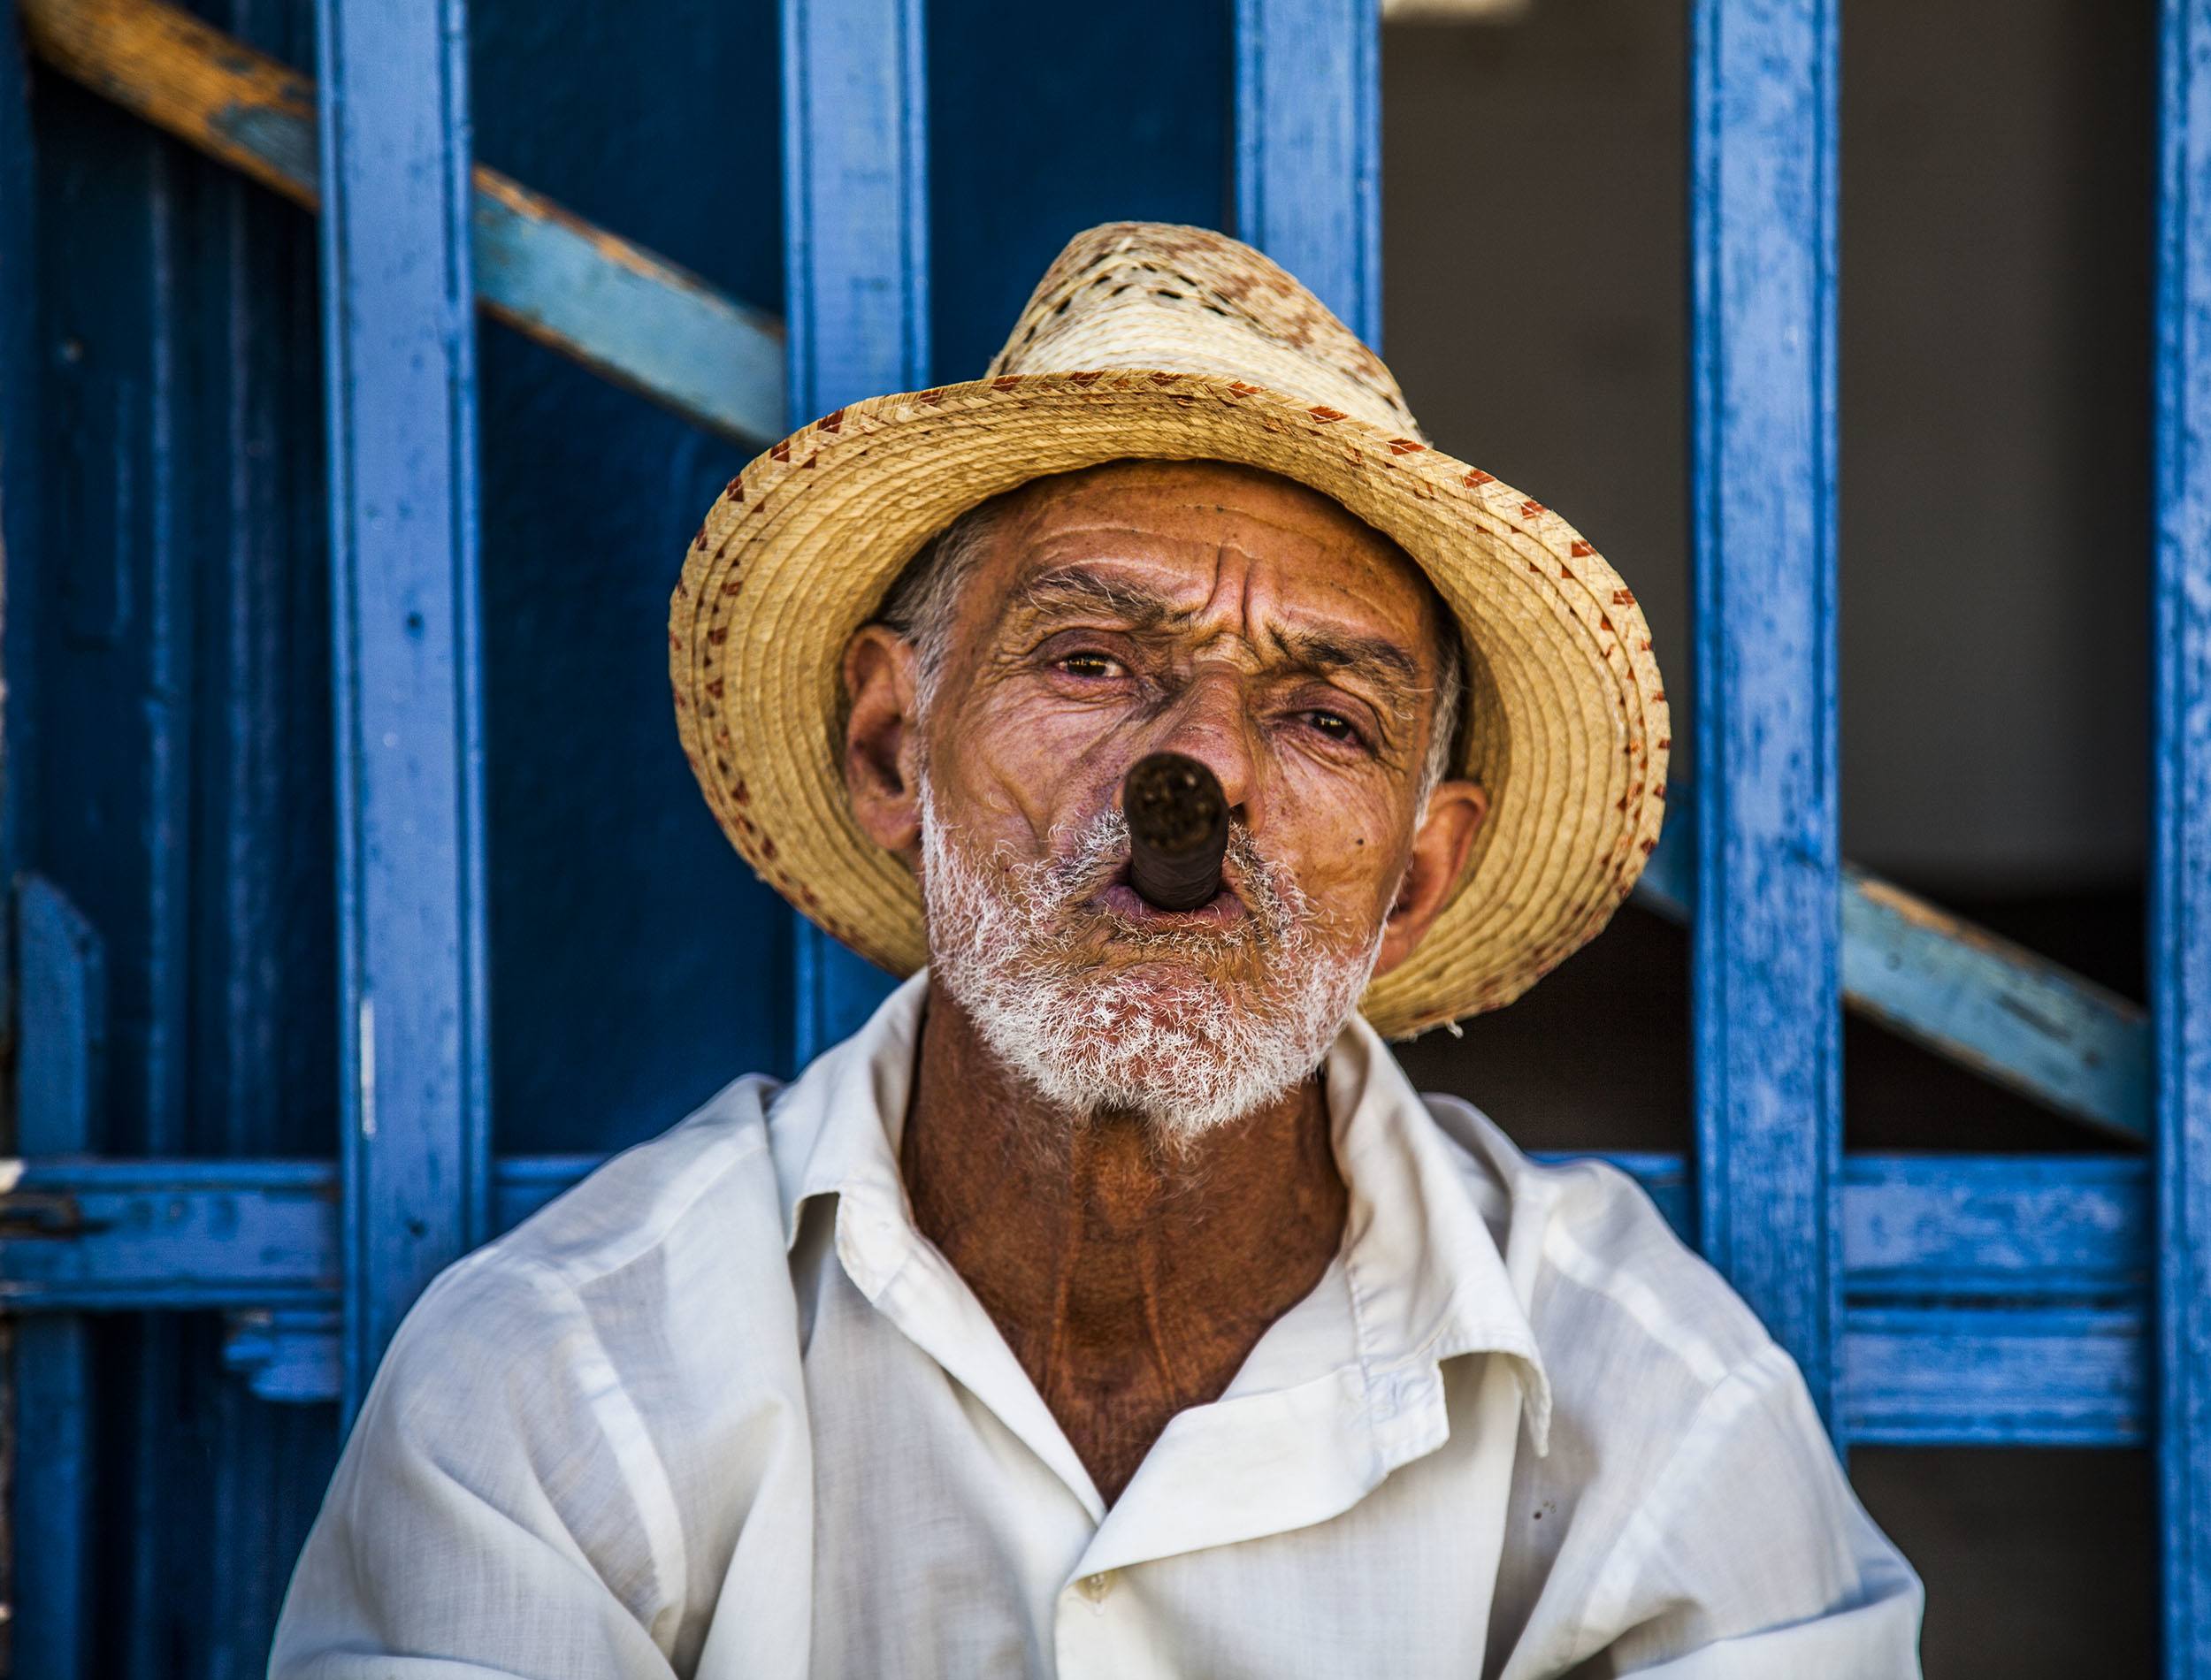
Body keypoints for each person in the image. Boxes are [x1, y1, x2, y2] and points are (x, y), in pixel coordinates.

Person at [269, 223, 1922, 1677]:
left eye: (1326, 717)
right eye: (1090, 659)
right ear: (892, 751)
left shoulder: (1652, 1418)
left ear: (1414, 880)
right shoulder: (560, 1391)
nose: (1191, 774)